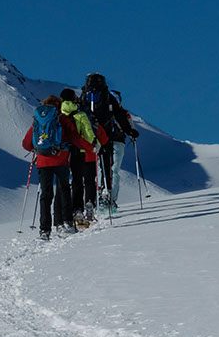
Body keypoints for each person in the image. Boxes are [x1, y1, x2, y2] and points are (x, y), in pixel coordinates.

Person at [23, 95, 95, 239]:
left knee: (45, 195)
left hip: (43, 162)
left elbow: (26, 144)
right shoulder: (61, 118)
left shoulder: (38, 120)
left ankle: (45, 230)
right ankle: (66, 223)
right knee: (64, 191)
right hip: (61, 160)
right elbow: (75, 137)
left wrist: (38, 148)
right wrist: (91, 147)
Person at [80, 73, 138, 211]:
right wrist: (129, 131)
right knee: (107, 166)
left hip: (87, 138)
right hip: (106, 136)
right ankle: (106, 194)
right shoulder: (108, 96)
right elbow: (120, 115)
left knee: (89, 169)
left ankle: (88, 199)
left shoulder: (83, 96)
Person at [57, 88, 105, 227]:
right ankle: (88, 203)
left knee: (70, 183)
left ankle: (73, 211)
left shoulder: (59, 114)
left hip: (64, 153)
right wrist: (95, 144)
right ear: (73, 98)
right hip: (80, 151)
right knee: (83, 180)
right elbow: (88, 133)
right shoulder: (81, 114)